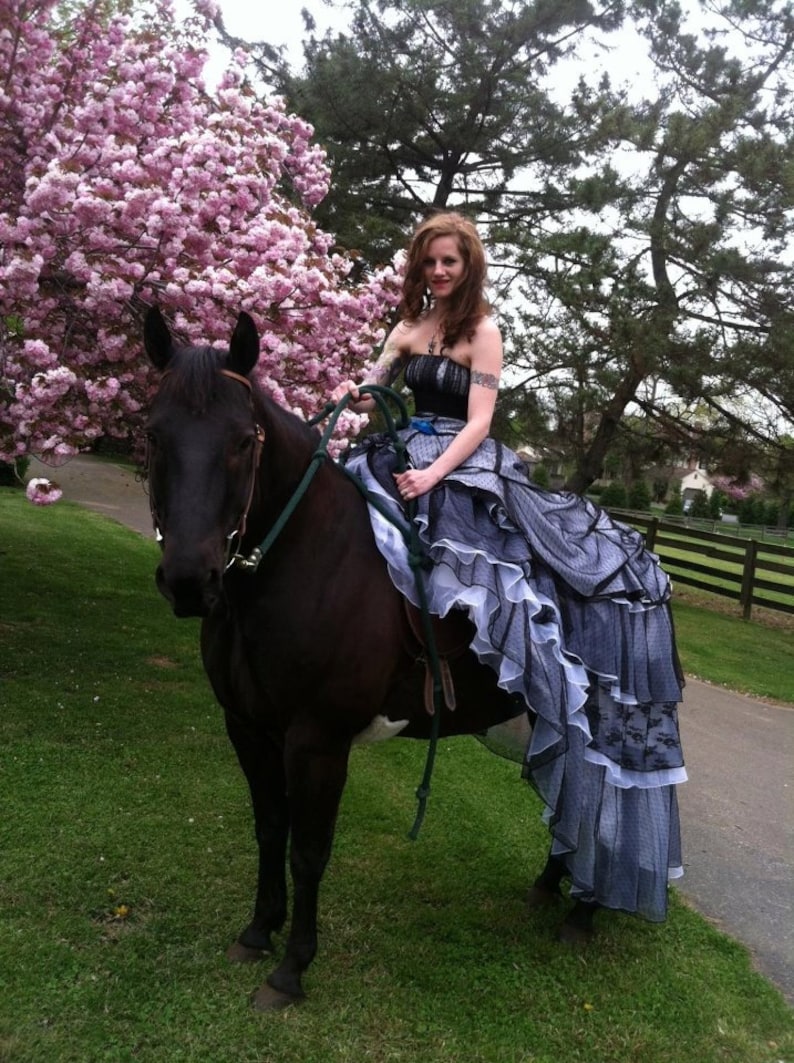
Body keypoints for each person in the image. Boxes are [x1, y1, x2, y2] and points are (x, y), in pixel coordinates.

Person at [335, 211, 686, 922]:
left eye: (450, 263)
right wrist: (341, 414)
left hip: (459, 468)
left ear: (469, 267)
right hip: (397, 454)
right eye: (429, 262)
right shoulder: (406, 327)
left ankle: (512, 683)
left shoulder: (483, 332)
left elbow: (479, 424)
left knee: (502, 581)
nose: (438, 272)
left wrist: (433, 478)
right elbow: (366, 392)